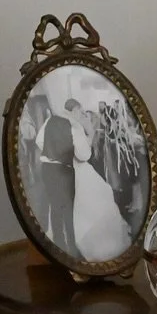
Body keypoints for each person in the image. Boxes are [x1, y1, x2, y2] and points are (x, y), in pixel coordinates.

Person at [65, 98, 132, 263]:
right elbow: (85, 154)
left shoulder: (66, 126)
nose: (81, 114)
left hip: (77, 170)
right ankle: (100, 245)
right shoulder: (75, 128)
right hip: (81, 170)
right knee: (97, 200)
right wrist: (92, 134)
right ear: (74, 111)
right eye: (79, 111)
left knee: (96, 198)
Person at [23, 95, 76, 257]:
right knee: (67, 207)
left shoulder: (48, 122)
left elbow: (39, 141)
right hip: (64, 168)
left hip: (47, 167)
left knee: (55, 204)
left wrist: (49, 152)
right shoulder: (72, 124)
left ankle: (58, 242)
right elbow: (80, 151)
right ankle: (71, 244)